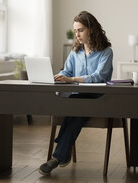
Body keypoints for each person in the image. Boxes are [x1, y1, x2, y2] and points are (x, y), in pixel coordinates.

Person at [39, 11, 113, 175]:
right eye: (75, 31)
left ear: (91, 29)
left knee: (76, 102)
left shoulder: (106, 52)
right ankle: (60, 156)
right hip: (78, 96)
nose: (77, 34)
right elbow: (67, 71)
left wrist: (72, 80)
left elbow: (99, 77)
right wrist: (59, 77)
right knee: (75, 103)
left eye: (80, 30)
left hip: (99, 98)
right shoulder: (75, 52)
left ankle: (60, 155)